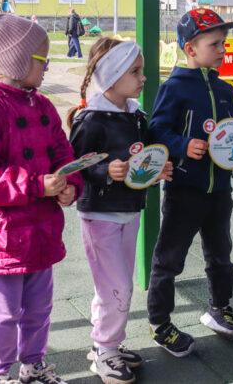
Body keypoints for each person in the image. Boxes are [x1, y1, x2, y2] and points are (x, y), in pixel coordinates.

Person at [0, 5, 81, 384]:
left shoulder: (40, 104)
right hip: (0, 234)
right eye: (42, 59)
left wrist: (70, 185)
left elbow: (61, 151)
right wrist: (35, 185)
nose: (47, 67)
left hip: (39, 227)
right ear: (17, 60)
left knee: (39, 307)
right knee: (2, 312)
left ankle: (33, 364)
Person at [146, 8, 233, 355]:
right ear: (191, 48)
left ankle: (219, 308)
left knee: (221, 255)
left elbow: (230, 132)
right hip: (185, 190)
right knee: (169, 259)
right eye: (214, 44)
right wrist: (182, 145)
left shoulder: (225, 90)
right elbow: (157, 130)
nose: (221, 50)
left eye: (223, 43)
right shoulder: (174, 88)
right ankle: (160, 321)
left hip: (220, 190)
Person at [68, 37, 172, 384]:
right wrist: (104, 171)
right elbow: (76, 165)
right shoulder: (93, 118)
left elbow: (143, 160)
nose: (143, 78)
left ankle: (107, 343)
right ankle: (105, 348)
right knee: (118, 287)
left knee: (116, 285)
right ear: (111, 77)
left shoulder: (135, 113)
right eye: (135, 71)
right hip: (100, 214)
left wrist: (158, 169)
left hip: (128, 211)